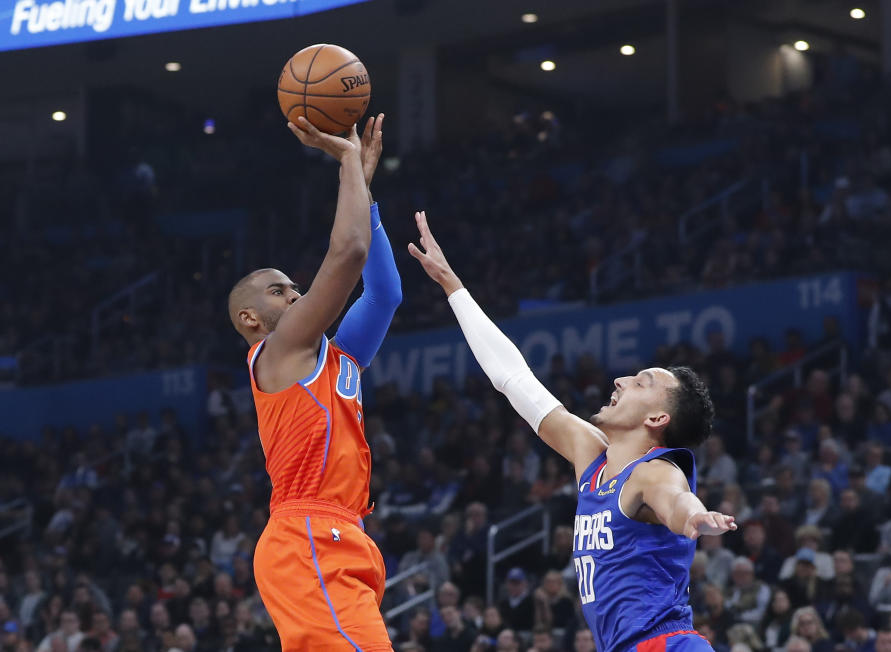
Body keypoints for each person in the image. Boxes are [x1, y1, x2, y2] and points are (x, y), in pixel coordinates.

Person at [409, 211, 735, 651]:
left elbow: (676, 500)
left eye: (642, 383)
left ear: (657, 420)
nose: (620, 381)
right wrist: (454, 288)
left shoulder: (654, 471)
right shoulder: (591, 456)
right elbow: (513, 379)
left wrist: (696, 517)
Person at [228, 114, 402, 651]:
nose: (297, 294)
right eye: (280, 292)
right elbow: (346, 256)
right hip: (307, 534)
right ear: (250, 320)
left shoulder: (334, 357)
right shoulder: (278, 350)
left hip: (340, 533)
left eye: (296, 286)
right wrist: (348, 160)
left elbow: (383, 294)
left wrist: (365, 196)